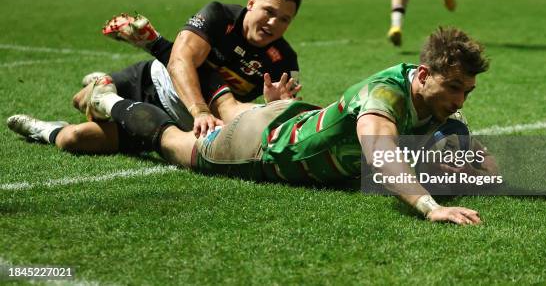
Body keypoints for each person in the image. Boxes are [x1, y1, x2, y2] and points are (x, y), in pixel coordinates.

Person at [8, 27, 494, 224]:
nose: (458, 100)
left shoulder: (427, 98)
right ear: (425, 75)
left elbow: (436, 142)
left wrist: (469, 159)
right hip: (264, 148)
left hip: (288, 116)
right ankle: (109, 99)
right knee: (170, 141)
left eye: (466, 92)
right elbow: (380, 153)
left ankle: (54, 124)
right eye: (454, 88)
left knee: (86, 139)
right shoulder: (386, 93)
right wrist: (428, 206)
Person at [99, 0, 305, 137]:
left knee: (79, 138)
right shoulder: (219, 15)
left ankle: (155, 43)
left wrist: (276, 106)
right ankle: (155, 45)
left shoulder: (286, 62)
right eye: (268, 11)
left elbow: (287, 120)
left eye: (284, 19)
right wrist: (200, 111)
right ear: (251, 2)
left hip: (198, 125)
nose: (273, 23)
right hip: (156, 81)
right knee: (83, 97)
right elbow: (180, 61)